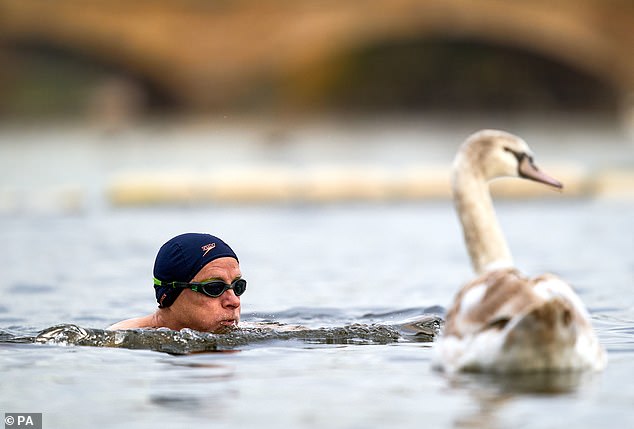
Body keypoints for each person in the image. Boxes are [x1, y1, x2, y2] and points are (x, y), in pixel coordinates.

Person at [107, 233, 246, 333]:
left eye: (238, 286)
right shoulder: (119, 339)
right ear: (170, 293)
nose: (234, 301)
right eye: (214, 287)